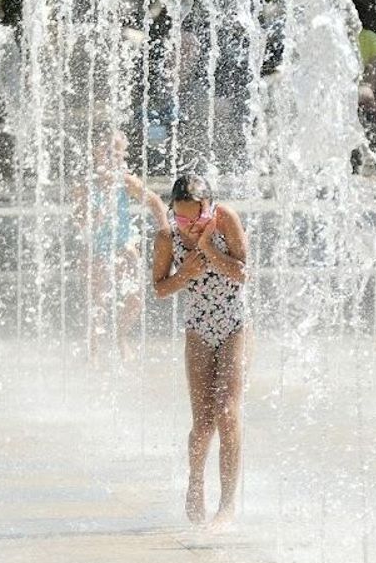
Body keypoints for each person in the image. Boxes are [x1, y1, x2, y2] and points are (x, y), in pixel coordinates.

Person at [151, 169, 249, 529]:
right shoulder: (167, 236)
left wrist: (209, 249)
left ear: (211, 206)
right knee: (203, 422)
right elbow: (159, 288)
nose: (190, 227)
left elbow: (242, 272)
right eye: (182, 219)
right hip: (198, 329)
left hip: (234, 325)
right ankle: (195, 484)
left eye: (198, 218)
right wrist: (184, 275)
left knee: (227, 413)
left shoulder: (226, 220)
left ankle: (227, 505)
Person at [76, 129, 168, 360]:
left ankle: (120, 336)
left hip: (123, 246)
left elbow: (155, 202)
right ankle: (93, 352)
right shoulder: (85, 185)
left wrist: (166, 231)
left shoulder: (125, 181)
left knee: (136, 299)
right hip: (95, 248)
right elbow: (81, 222)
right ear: (95, 153)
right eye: (108, 151)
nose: (114, 157)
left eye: (118, 152)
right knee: (97, 302)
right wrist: (99, 212)